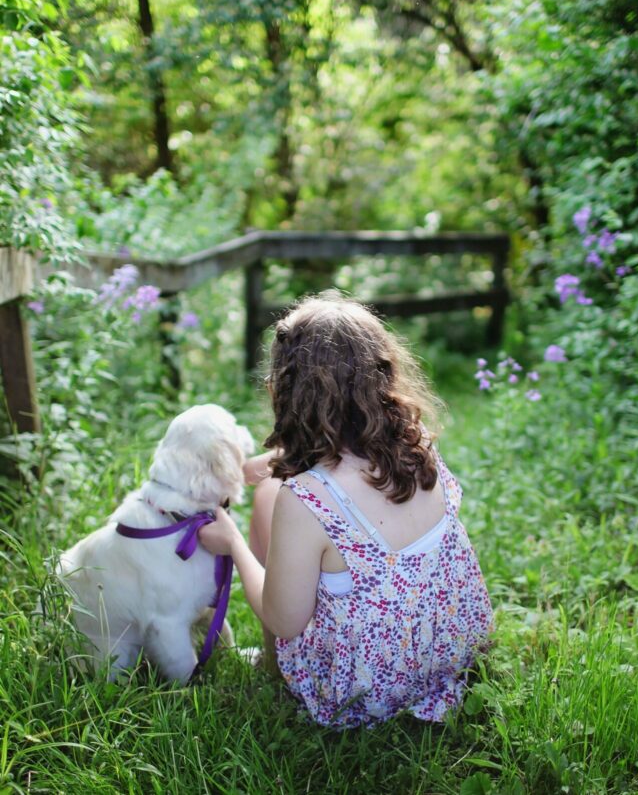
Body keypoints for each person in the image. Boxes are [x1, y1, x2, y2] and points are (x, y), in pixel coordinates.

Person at [198, 294, 493, 728]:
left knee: (267, 496)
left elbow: (285, 620)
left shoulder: (304, 499)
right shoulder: (418, 445)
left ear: (288, 389)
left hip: (363, 688)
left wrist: (235, 545)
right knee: (274, 490)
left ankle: (274, 666)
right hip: (449, 651)